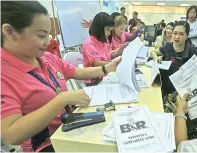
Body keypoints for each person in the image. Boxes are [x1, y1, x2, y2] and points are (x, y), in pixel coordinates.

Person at [1, 1, 121, 152]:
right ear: (10, 32)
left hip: (68, 126)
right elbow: (12, 135)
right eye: (41, 35)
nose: (48, 41)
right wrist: (62, 99)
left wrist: (107, 68)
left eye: (48, 34)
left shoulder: (45, 57)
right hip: (46, 144)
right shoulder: (4, 74)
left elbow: (77, 72)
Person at [150, 21, 197, 97]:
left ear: (187, 36)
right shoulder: (168, 46)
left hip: (184, 92)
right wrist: (156, 57)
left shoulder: (192, 49)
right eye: (175, 33)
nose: (177, 37)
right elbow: (153, 52)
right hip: (166, 89)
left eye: (181, 34)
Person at [82, 12, 124, 86]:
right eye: (107, 30)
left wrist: (119, 51)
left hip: (104, 75)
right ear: (99, 28)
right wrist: (116, 64)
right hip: (94, 81)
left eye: (110, 31)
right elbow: (97, 63)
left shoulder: (103, 40)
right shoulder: (89, 43)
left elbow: (108, 56)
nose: (109, 33)